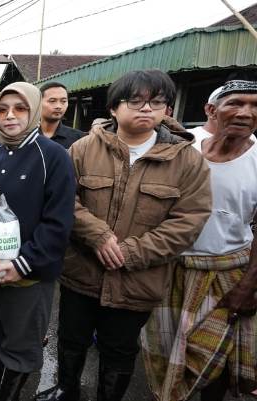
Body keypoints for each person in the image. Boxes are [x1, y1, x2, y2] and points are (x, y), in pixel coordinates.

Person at [35, 70, 212, 401]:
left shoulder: (187, 160)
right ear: (115, 108)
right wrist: (98, 235)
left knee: (119, 348)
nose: (146, 109)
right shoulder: (83, 149)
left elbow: (189, 221)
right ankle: (66, 388)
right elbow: (62, 200)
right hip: (82, 271)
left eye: (156, 102)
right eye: (135, 101)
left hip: (137, 278)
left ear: (167, 110)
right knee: (71, 338)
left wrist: (130, 252)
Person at [141, 80, 257, 401]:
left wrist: (249, 286)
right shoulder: (185, 149)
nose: (247, 113)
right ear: (211, 110)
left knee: (214, 357)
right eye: (236, 103)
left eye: (255, 106)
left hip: (229, 273)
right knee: (164, 352)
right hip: (172, 271)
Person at [0, 82, 76, 401]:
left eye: (19, 108)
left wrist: (23, 264)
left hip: (28, 272)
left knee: (22, 343)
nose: (9, 116)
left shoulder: (53, 156)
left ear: (33, 110)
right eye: (2, 109)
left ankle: (6, 396)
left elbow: (58, 223)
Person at [39, 82, 84, 149]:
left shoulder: (79, 139)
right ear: (39, 102)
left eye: (63, 101)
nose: (58, 106)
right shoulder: (25, 136)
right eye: (52, 101)